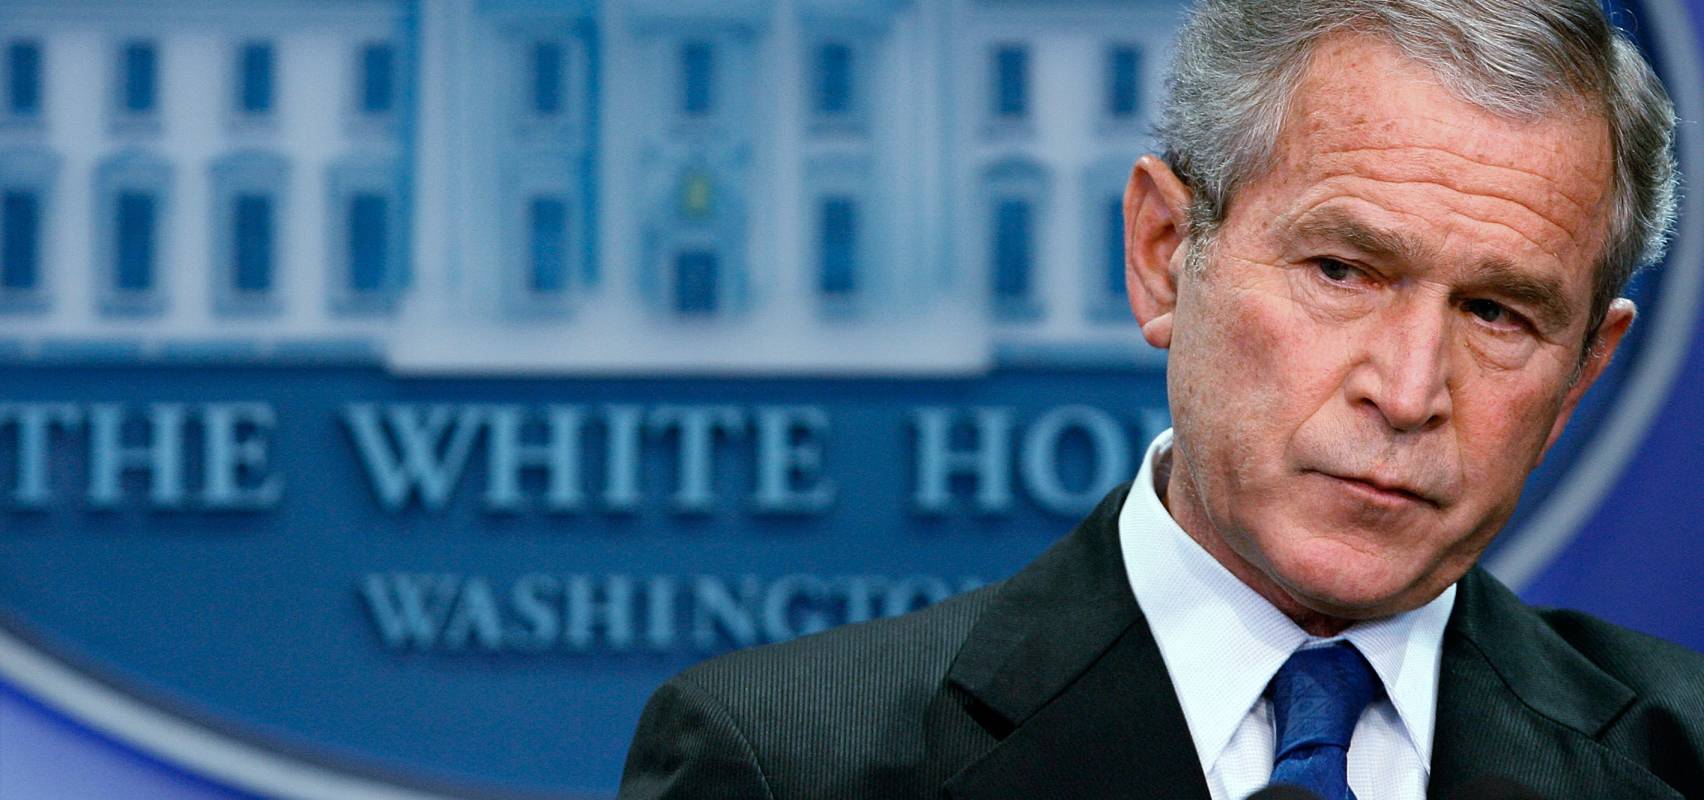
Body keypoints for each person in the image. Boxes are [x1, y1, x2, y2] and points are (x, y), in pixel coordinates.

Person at [617, 1, 1704, 798]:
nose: (1410, 390)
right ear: (1164, 251)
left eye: (1499, 313)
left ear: (1581, 377)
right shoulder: (790, 762)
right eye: (1342, 269)